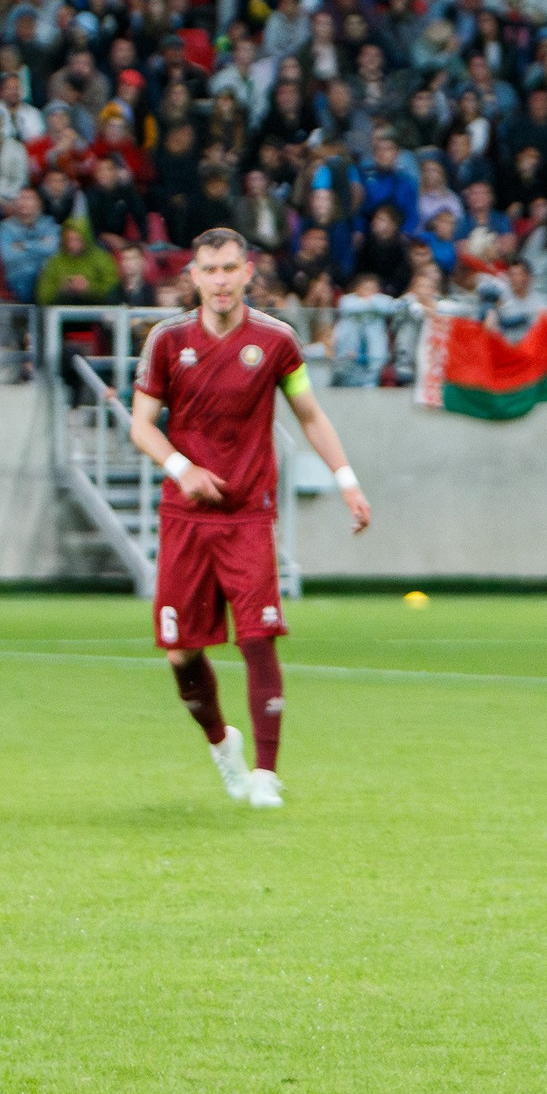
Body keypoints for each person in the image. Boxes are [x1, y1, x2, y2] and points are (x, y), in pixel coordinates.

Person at [127, 229, 374, 812]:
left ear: (247, 273)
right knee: (181, 653)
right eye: (208, 270)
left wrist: (347, 480)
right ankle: (221, 744)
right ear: (193, 275)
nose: (219, 280)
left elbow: (310, 414)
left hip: (247, 516)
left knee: (259, 641)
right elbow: (141, 425)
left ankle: (266, 772)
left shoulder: (277, 340)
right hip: (185, 516)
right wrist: (182, 467)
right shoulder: (166, 341)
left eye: (229, 269)